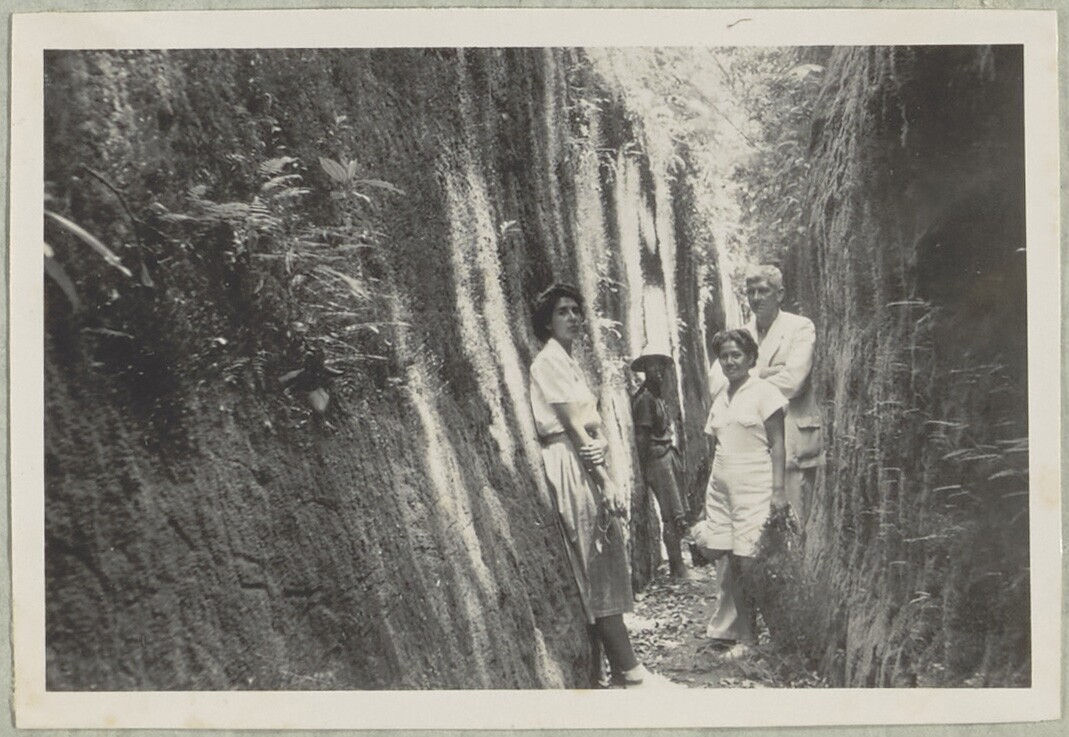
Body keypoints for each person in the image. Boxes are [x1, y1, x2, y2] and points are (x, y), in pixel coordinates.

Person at [528, 283, 656, 688]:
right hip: (570, 461)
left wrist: (603, 461)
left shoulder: (568, 361)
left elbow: (589, 428)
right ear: (547, 322)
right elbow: (573, 428)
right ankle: (628, 668)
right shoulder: (548, 362)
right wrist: (605, 480)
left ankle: (621, 665)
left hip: (585, 458)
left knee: (605, 552)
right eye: (562, 311)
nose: (572, 317)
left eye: (575, 310)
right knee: (594, 554)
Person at [693, 329, 788, 659]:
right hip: (722, 487)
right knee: (731, 561)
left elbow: (778, 445)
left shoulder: (765, 392)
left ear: (750, 358)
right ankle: (747, 639)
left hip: (755, 484)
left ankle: (778, 637)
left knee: (752, 562)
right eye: (724, 356)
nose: (730, 361)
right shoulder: (721, 397)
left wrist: (778, 491)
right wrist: (707, 500)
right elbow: (717, 447)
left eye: (736, 355)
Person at [708, 265, 823, 520]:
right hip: (748, 449)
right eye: (751, 292)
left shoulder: (800, 327)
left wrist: (743, 379)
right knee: (752, 525)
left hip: (792, 440)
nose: (756, 298)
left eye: (763, 291)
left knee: (793, 522)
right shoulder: (740, 335)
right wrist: (763, 373)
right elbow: (715, 383)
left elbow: (793, 381)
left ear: (779, 294)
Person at [630, 351, 691, 580]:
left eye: (661, 367)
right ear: (645, 370)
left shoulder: (657, 396)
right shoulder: (645, 399)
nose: (658, 372)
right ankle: (678, 568)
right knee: (671, 515)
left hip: (666, 454)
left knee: (678, 512)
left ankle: (680, 565)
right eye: (652, 367)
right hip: (657, 460)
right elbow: (642, 437)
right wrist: (645, 468)